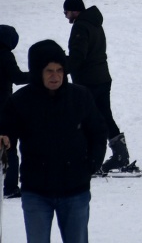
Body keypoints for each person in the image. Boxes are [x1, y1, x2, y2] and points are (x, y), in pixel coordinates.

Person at [0, 39, 107, 241]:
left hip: (75, 190)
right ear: (37, 71)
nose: (55, 76)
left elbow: (98, 132)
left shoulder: (80, 96)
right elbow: (7, 131)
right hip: (36, 191)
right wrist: (5, 139)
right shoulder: (20, 101)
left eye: (59, 70)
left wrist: (91, 164)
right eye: (49, 70)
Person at [63, 0, 132, 174]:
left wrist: (61, 68)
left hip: (87, 81)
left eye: (66, 12)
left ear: (74, 11)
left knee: (85, 120)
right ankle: (120, 155)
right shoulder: (94, 23)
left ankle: (88, 159)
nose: (65, 16)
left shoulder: (80, 27)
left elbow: (78, 56)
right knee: (104, 116)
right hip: (102, 78)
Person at [1, 25, 25, 199]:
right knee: (10, 146)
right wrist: (39, 75)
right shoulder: (5, 55)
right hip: (3, 106)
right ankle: (10, 187)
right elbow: (17, 77)